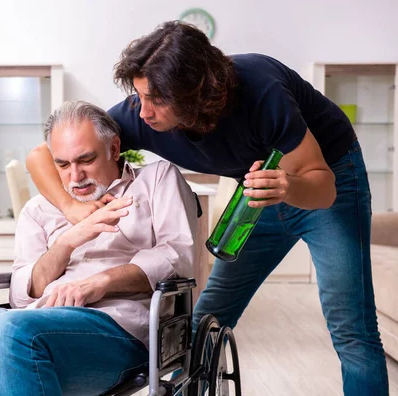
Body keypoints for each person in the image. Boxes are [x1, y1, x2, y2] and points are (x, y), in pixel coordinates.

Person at [25, 21, 389, 395]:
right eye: (139, 96)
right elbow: (40, 154)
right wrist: (71, 209)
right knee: (202, 322)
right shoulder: (141, 113)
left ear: (194, 92)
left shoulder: (262, 91)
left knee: (352, 328)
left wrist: (288, 185)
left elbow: (322, 187)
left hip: (325, 179)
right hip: (258, 192)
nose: (143, 112)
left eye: (156, 99)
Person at [0, 100, 198, 396]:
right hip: (35, 318)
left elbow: (177, 256)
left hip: (120, 327)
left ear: (114, 149)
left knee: (6, 332)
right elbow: (20, 294)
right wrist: (67, 241)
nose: (75, 176)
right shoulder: (38, 210)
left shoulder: (156, 180)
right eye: (63, 164)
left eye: (86, 160)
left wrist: (101, 283)